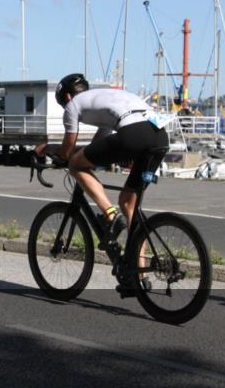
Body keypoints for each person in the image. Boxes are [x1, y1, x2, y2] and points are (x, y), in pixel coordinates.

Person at [35, 73, 170, 270]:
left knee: (75, 165)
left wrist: (46, 148)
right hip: (159, 136)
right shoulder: (106, 98)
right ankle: (139, 274)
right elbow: (97, 147)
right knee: (128, 204)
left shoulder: (73, 105)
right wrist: (82, 157)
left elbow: (67, 151)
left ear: (66, 97)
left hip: (134, 133)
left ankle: (110, 215)